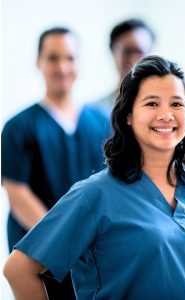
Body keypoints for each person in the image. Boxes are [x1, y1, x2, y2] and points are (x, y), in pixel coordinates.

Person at [4, 55, 185, 299]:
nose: (165, 114)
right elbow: (19, 269)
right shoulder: (95, 195)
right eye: (152, 103)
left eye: (176, 103)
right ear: (128, 115)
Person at [1, 27, 111, 299]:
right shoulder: (19, 127)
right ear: (38, 62)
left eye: (70, 58)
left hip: (93, 251)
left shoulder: (103, 123)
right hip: (39, 253)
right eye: (53, 58)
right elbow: (17, 193)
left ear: (79, 63)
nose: (62, 66)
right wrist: (64, 241)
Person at [93, 18, 155, 111]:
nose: (133, 60)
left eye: (139, 52)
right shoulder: (96, 112)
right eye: (127, 51)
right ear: (113, 52)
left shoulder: (165, 110)